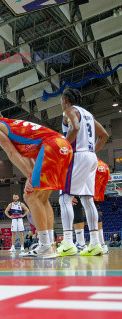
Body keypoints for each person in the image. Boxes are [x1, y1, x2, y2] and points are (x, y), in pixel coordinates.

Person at [0, 105, 73, 258]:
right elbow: (30, 155)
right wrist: (30, 175)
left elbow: (10, 152)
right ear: (1, 115)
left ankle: (45, 246)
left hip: (50, 146)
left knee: (30, 196)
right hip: (63, 145)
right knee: (43, 198)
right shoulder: (13, 125)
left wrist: (29, 177)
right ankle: (50, 244)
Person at [56, 89, 109, 257]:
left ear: (65, 100)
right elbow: (104, 135)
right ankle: (95, 244)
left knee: (64, 197)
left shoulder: (69, 111)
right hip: (91, 157)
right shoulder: (88, 114)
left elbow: (75, 127)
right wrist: (91, 152)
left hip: (77, 156)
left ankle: (68, 243)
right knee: (87, 200)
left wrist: (64, 148)